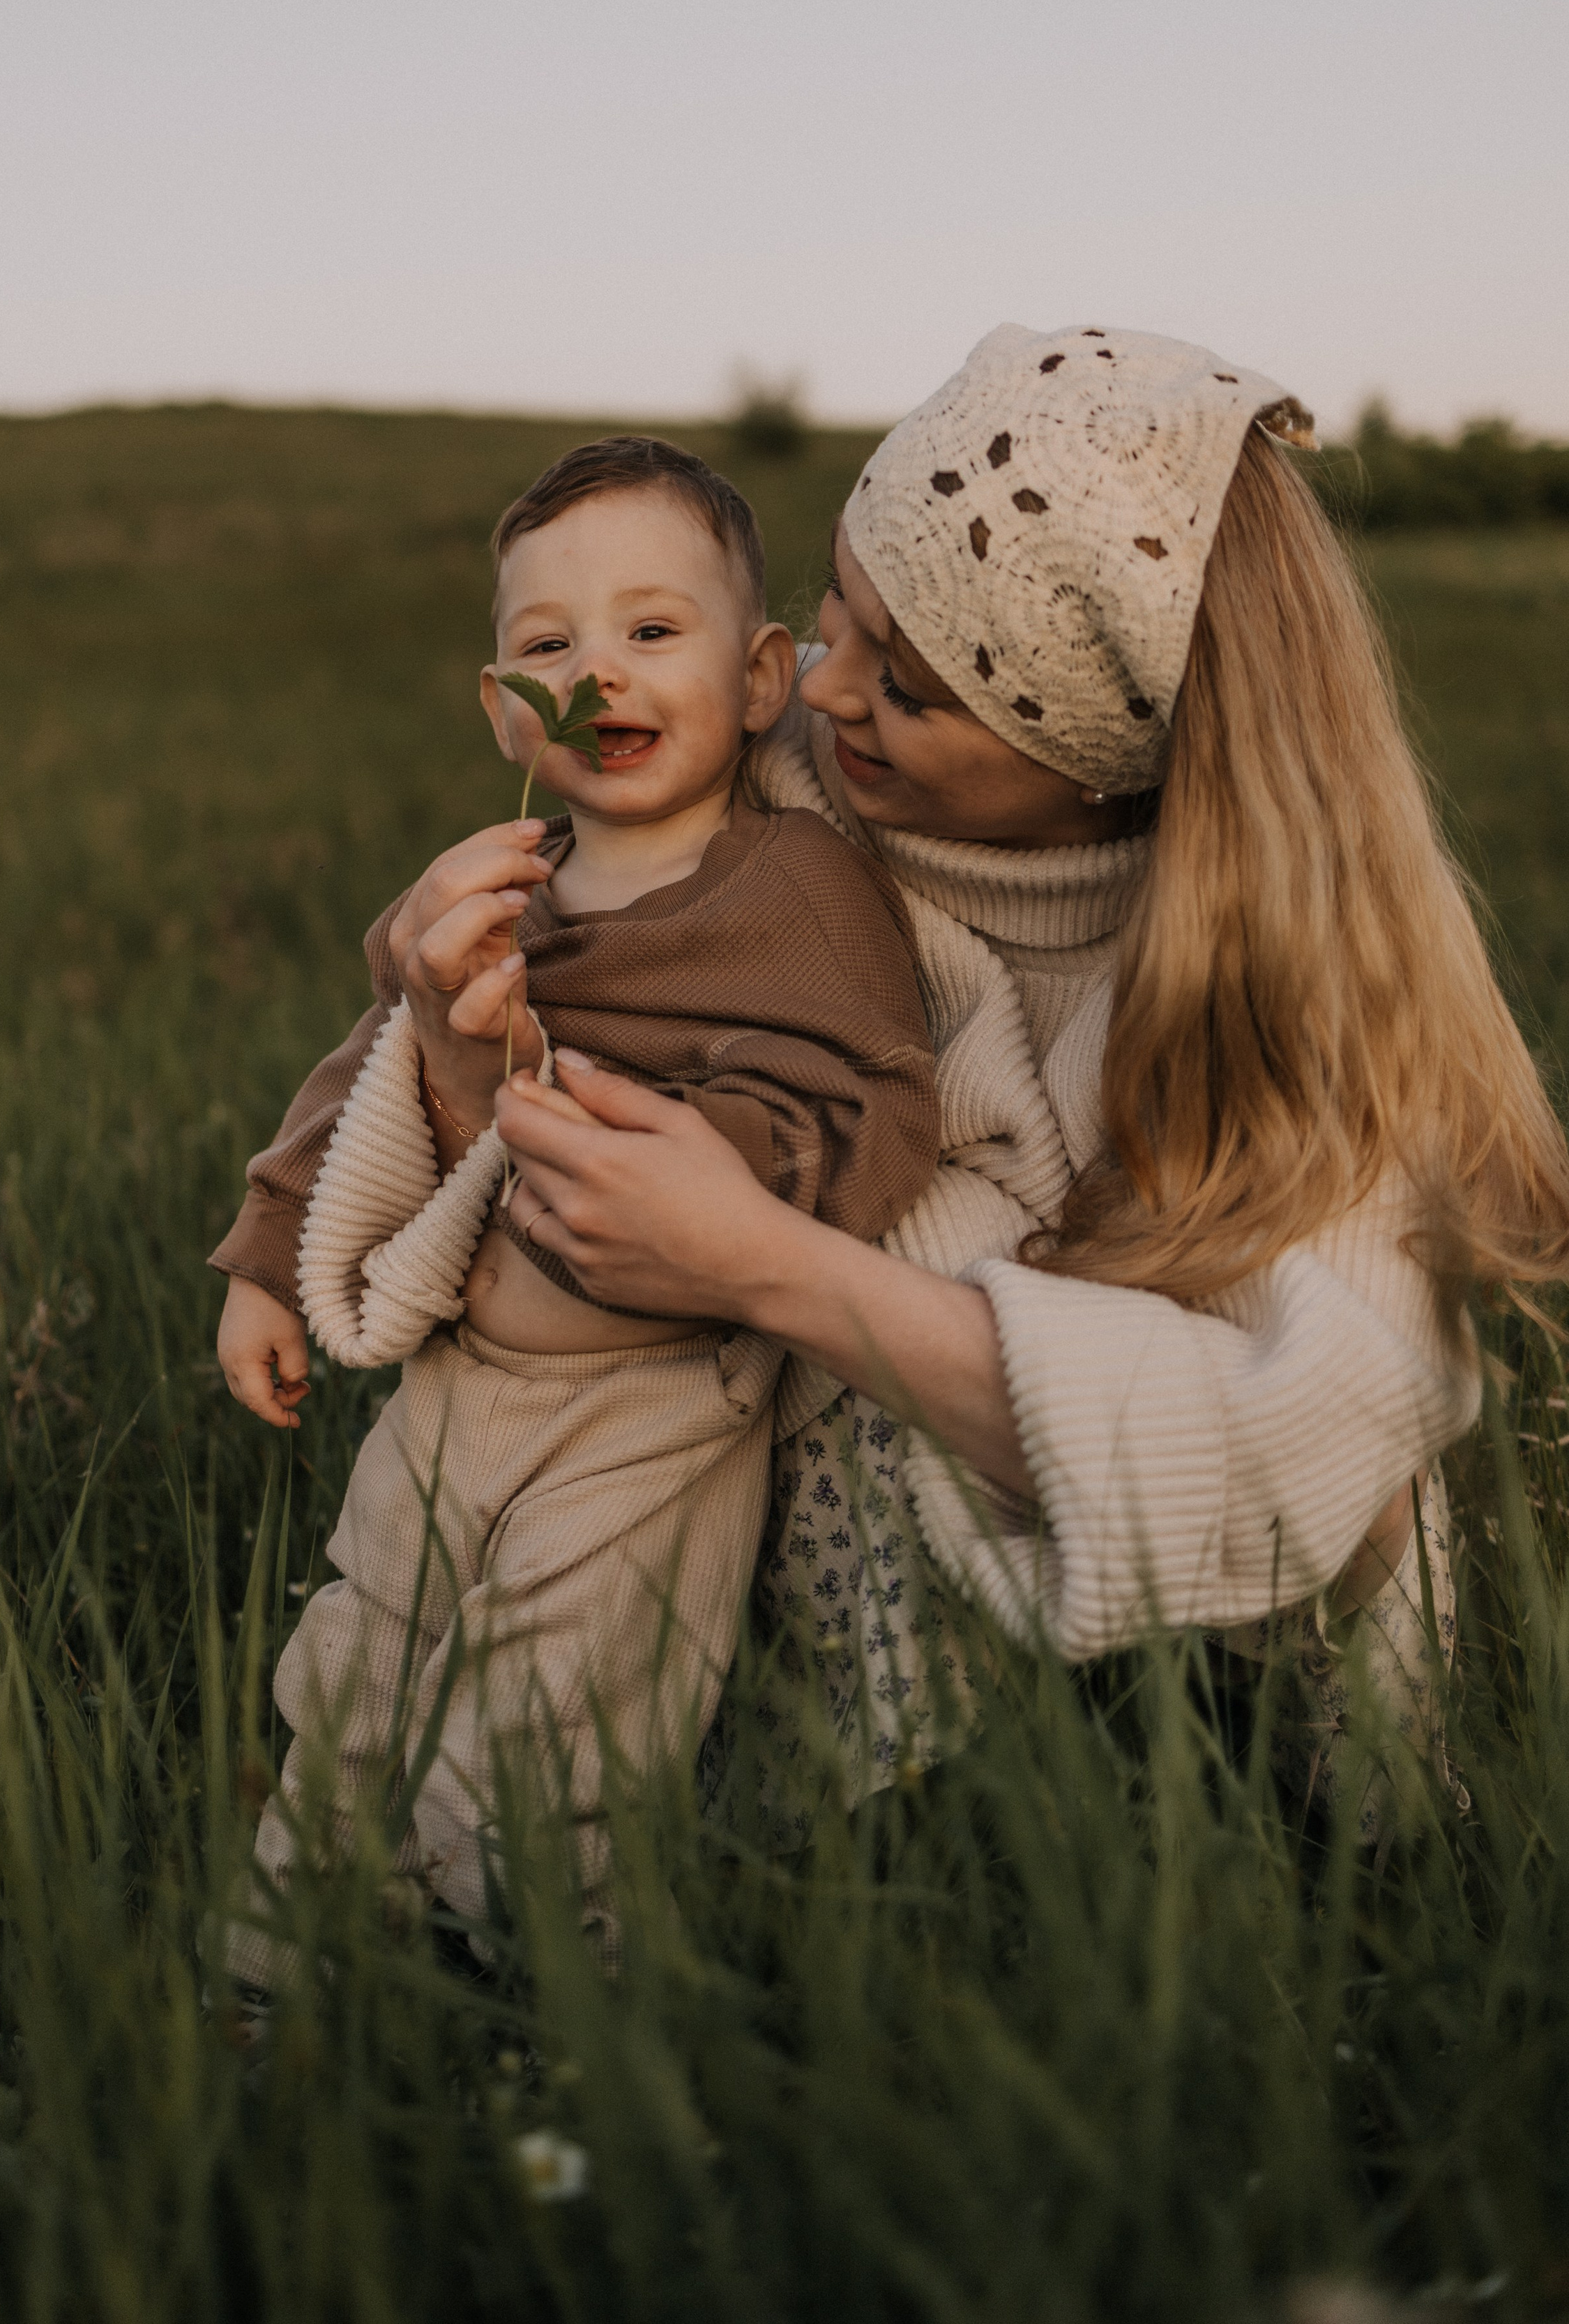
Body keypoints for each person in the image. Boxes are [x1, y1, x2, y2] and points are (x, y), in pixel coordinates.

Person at [462, 324, 1569, 1833]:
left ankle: (1351, 1855)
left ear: (1100, 756)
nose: (822, 690)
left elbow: (1319, 1445)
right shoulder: (780, 791)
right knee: (841, 1393)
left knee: (1351, 1483)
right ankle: (845, 1839)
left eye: (905, 687)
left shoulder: (1293, 977)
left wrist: (770, 1264)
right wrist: (438, 966)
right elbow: (583, 889)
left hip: (1169, 1507)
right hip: (859, 1471)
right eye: (836, 610)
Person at [215, 437, 941, 1968]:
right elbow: (368, 1077)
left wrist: (679, 1159)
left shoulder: (791, 891)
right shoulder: (502, 884)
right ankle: (274, 1983)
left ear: (758, 679)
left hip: (651, 1393)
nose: (595, 672)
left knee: (560, 1722)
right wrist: (275, 1261)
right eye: (549, 647)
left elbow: (874, 1107)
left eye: (649, 631)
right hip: (449, 1389)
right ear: (503, 708)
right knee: (353, 1672)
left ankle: (532, 2018)